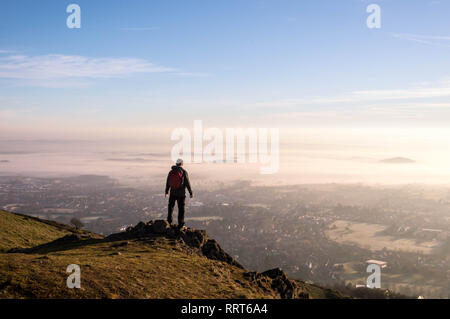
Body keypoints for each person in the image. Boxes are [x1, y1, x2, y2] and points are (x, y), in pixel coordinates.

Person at [165, 158, 193, 228]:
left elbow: (168, 182)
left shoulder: (171, 172)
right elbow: (187, 183)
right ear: (181, 164)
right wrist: (190, 192)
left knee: (170, 207)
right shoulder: (183, 172)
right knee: (181, 209)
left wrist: (166, 191)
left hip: (173, 193)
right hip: (181, 194)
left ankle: (169, 221)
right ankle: (180, 223)